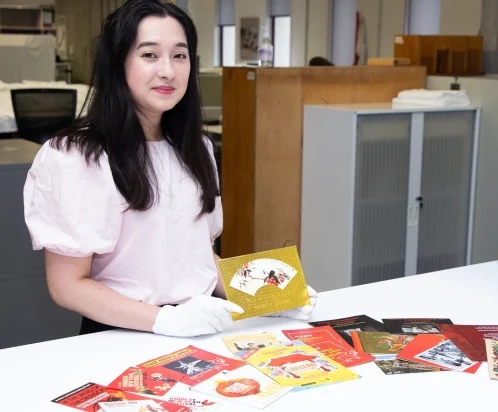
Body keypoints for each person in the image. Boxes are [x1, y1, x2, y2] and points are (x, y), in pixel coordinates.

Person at [23, 0, 317, 338]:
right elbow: (66, 285)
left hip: (200, 327)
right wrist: (165, 320)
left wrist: (270, 294)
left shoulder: (197, 148)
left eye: (180, 55)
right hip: (120, 334)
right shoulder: (76, 156)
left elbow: (198, 259)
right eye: (149, 55)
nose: (168, 71)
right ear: (118, 63)